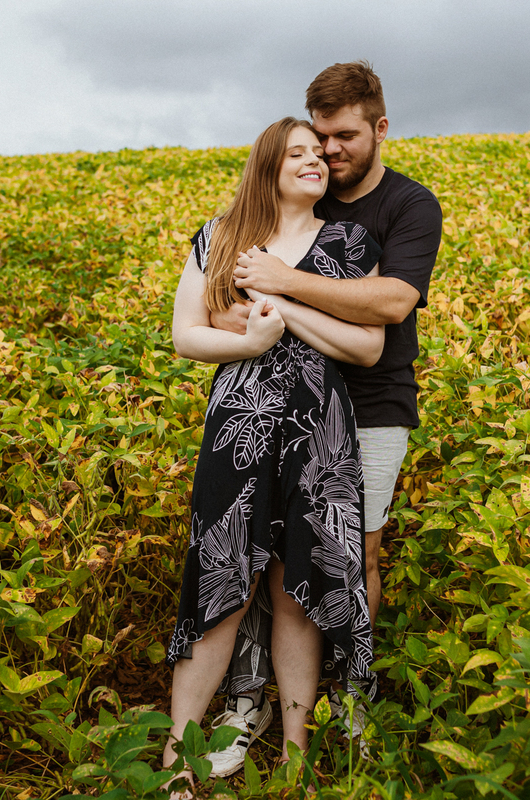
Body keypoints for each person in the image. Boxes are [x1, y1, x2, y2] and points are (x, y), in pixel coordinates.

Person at [206, 60, 444, 774]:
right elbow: (229, 291)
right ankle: (253, 697)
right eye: (320, 137)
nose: (330, 152)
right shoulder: (300, 188)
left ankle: (350, 692)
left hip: (372, 403)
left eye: (344, 137)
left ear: (381, 128)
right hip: (282, 399)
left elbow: (393, 301)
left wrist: (285, 285)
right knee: (264, 553)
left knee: (356, 550)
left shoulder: (409, 205)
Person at [164, 116, 384, 796]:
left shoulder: (350, 241)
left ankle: (296, 758)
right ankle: (177, 762)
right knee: (220, 580)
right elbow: (185, 334)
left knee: (298, 589)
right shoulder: (220, 235)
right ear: (268, 165)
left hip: (319, 433)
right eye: (297, 153)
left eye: (319, 152)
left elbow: (367, 347)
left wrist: (282, 295)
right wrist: (250, 345)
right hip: (239, 425)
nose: (315, 160)